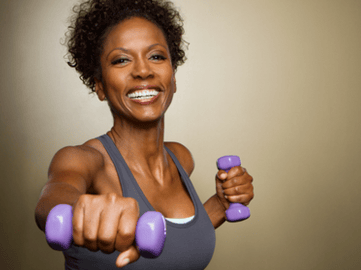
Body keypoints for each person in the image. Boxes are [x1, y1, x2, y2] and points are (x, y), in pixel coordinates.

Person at [34, 0, 254, 269]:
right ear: (100, 86)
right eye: (121, 60)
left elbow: (173, 242)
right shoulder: (83, 159)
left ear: (173, 79)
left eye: (157, 56)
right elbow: (51, 201)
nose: (142, 70)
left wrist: (221, 203)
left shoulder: (180, 158)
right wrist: (77, 212)